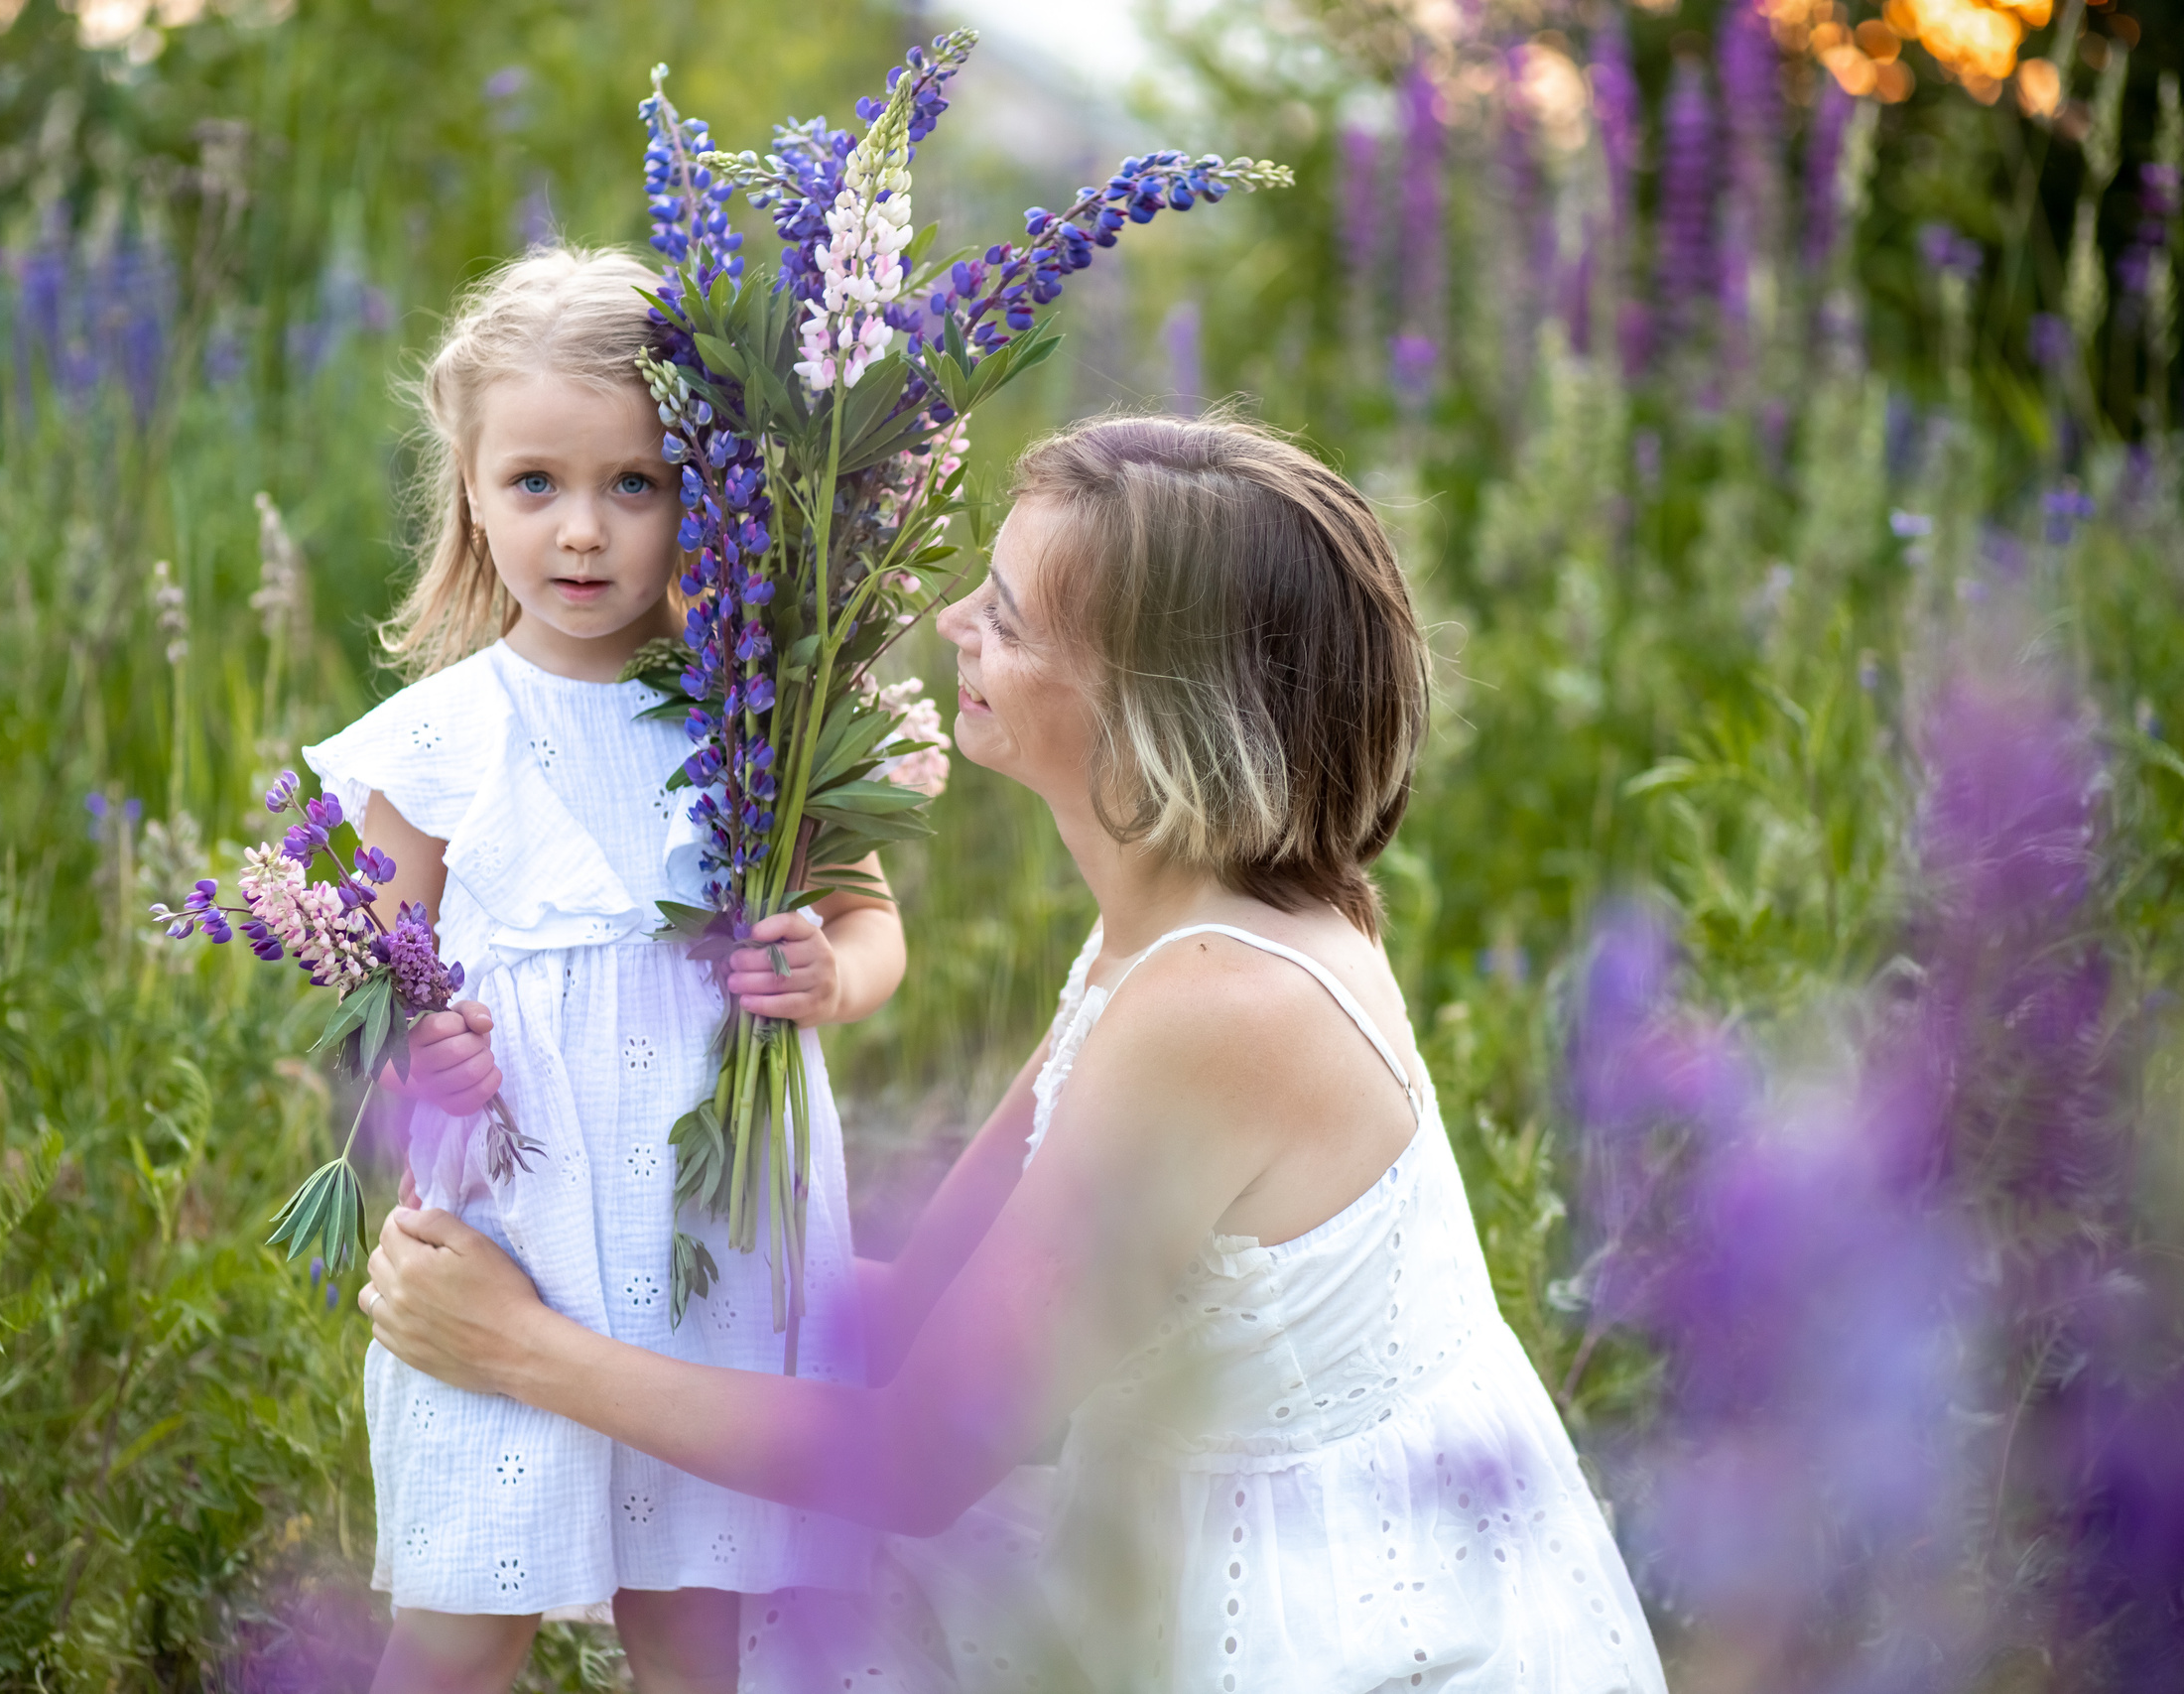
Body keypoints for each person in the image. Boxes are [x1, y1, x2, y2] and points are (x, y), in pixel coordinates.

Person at [360, 412, 1667, 1692]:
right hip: (1204, 1539)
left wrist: (527, 1350)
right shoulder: (1175, 922)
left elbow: (921, 1459)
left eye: (1010, 619)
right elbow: (919, 1305)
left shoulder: (1217, 1005)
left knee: (800, 1619)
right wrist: (597, 1256)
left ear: (1153, 709)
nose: (954, 629)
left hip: (1344, 1618)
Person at [307, 245, 907, 1694]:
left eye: (633, 486)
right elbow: (372, 998)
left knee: (698, 1624)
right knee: (459, 1625)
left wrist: (831, 976)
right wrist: (413, 1057)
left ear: (699, 493)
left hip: (715, 1239)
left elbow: (875, 924)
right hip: (508, 1244)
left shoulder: (760, 719)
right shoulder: (436, 745)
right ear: (468, 486)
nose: (582, 533)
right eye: (535, 485)